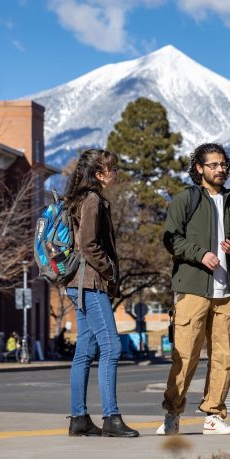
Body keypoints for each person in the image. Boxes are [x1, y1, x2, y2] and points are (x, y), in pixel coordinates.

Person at [158, 143, 230, 436]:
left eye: (223, 164)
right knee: (185, 356)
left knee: (224, 357)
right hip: (193, 289)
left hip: (227, 292)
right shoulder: (186, 199)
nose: (220, 169)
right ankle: (172, 414)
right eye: (213, 165)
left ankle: (213, 415)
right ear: (199, 168)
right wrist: (200, 254)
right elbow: (170, 238)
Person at [64, 148, 138, 438]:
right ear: (98, 174)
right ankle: (111, 418)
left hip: (76, 283)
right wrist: (109, 270)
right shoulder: (92, 200)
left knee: (85, 350)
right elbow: (87, 243)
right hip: (91, 282)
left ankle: (79, 418)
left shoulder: (79, 198)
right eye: (112, 169)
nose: (116, 173)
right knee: (111, 347)